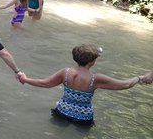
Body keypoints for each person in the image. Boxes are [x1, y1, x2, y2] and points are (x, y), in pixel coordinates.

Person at [18, 44, 150, 125]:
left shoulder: (65, 72)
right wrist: (139, 78)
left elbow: (45, 84)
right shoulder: (95, 79)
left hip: (62, 112)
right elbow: (124, 85)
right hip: (83, 117)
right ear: (92, 62)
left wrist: (25, 79)